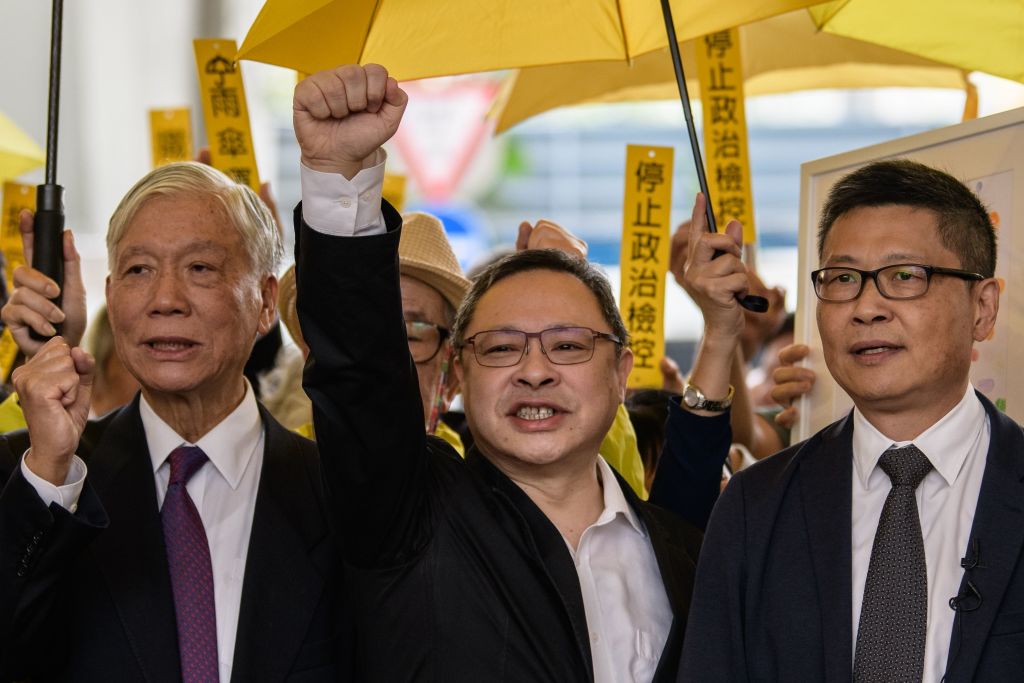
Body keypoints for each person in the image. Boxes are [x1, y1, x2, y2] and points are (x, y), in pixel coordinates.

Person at [291, 63, 735, 681]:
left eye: (569, 346)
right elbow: (361, 373)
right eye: (501, 348)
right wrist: (340, 178)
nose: (534, 372)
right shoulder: (413, 516)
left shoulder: (681, 551)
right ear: (457, 373)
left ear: (621, 371)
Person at [679, 159, 1022, 682]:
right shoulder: (755, 510)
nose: (866, 308)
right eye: (842, 278)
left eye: (905, 276)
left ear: (983, 307)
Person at [0, 162, 344, 682]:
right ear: (111, 299)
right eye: (139, 270)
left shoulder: (335, 490)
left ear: (265, 302)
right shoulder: (37, 476)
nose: (165, 300)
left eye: (201, 268)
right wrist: (51, 462)